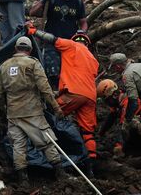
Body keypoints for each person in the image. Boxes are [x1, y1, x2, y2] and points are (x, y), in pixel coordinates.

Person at [27, 26, 98, 176]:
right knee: (88, 132)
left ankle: (47, 150)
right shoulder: (93, 59)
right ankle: (91, 168)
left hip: (73, 92)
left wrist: (33, 31)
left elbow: (52, 39)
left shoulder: (71, 45)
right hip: (90, 96)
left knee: (49, 112)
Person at [0, 36, 67, 184]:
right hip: (32, 111)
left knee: (18, 146)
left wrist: (3, 111)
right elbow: (45, 88)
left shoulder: (4, 66)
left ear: (15, 49)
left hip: (13, 113)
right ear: (30, 50)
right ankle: (60, 173)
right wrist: (56, 107)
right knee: (46, 141)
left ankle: (23, 179)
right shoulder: (33, 64)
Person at [28, 0, 87, 90]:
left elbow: (83, 22)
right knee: (53, 73)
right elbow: (32, 12)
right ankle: (53, 97)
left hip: (70, 45)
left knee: (69, 74)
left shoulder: (78, 3)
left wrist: (81, 33)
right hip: (51, 42)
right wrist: (44, 1)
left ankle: (66, 97)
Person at [96, 79, 141, 159]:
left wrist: (118, 147)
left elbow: (123, 127)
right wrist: (100, 134)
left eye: (107, 100)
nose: (107, 103)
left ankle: (138, 150)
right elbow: (110, 118)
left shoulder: (128, 102)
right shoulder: (119, 101)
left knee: (130, 125)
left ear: (113, 95)